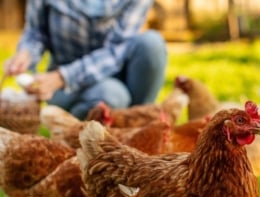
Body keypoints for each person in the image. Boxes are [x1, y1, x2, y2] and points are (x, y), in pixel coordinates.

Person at [4, 0, 167, 120]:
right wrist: (26, 54)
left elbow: (116, 49)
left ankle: (138, 125)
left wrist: (64, 76)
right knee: (112, 94)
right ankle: (75, 134)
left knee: (152, 43)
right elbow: (35, 32)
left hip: (115, 70)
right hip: (64, 84)